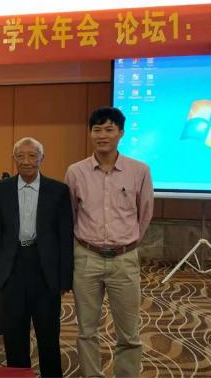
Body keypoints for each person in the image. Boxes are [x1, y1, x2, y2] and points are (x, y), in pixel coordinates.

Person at [65, 107, 153, 378]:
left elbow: (145, 213)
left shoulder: (139, 170)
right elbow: (70, 214)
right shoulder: (75, 172)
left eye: (109, 129)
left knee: (129, 332)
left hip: (124, 260)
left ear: (121, 133)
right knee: (86, 330)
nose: (102, 135)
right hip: (86, 258)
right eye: (97, 129)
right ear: (90, 133)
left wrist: (127, 243)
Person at [0, 137, 73, 377]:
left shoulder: (58, 190)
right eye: (20, 156)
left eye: (32, 156)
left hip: (45, 268)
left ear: (41, 159)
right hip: (13, 267)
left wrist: (65, 278)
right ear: (14, 159)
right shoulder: (1, 189)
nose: (26, 161)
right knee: (14, 332)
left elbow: (65, 236)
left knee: (48, 333)